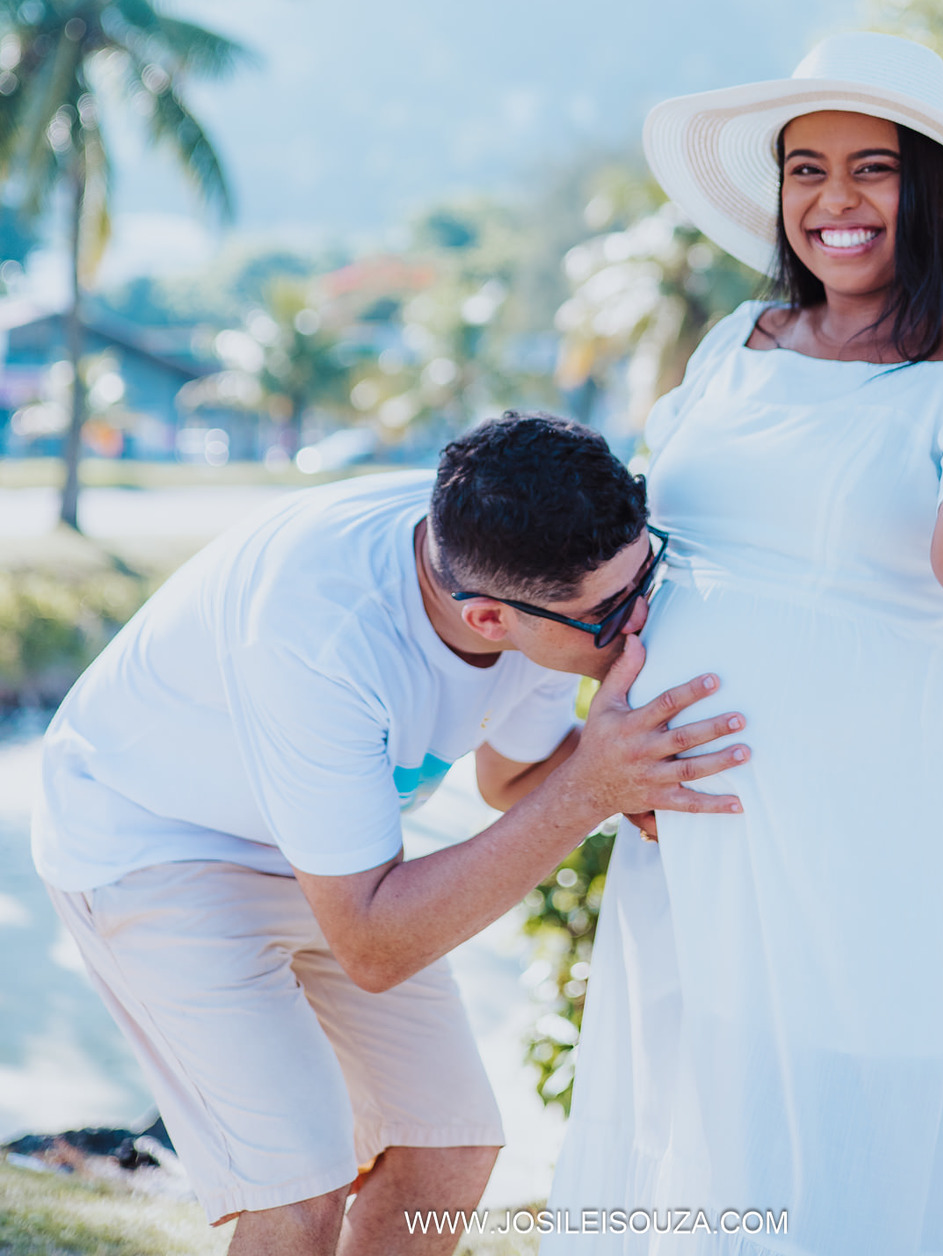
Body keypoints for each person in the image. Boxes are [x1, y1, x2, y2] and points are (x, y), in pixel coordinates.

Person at [545, 33, 943, 1256]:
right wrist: (604, 735)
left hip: (880, 818)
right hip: (692, 813)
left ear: (941, 194)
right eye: (806, 170)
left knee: (851, 1141)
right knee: (694, 1123)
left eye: (876, 168)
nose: (832, 202)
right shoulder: (737, 343)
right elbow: (647, 557)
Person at [32, 412, 748, 1255]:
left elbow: (511, 777)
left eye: (646, 577)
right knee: (300, 1187)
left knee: (447, 1146)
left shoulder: (532, 555)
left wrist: (632, 778)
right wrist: (591, 788)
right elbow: (374, 944)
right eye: (610, 613)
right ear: (490, 620)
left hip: (334, 863)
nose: (638, 623)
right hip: (153, 845)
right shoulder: (321, 638)